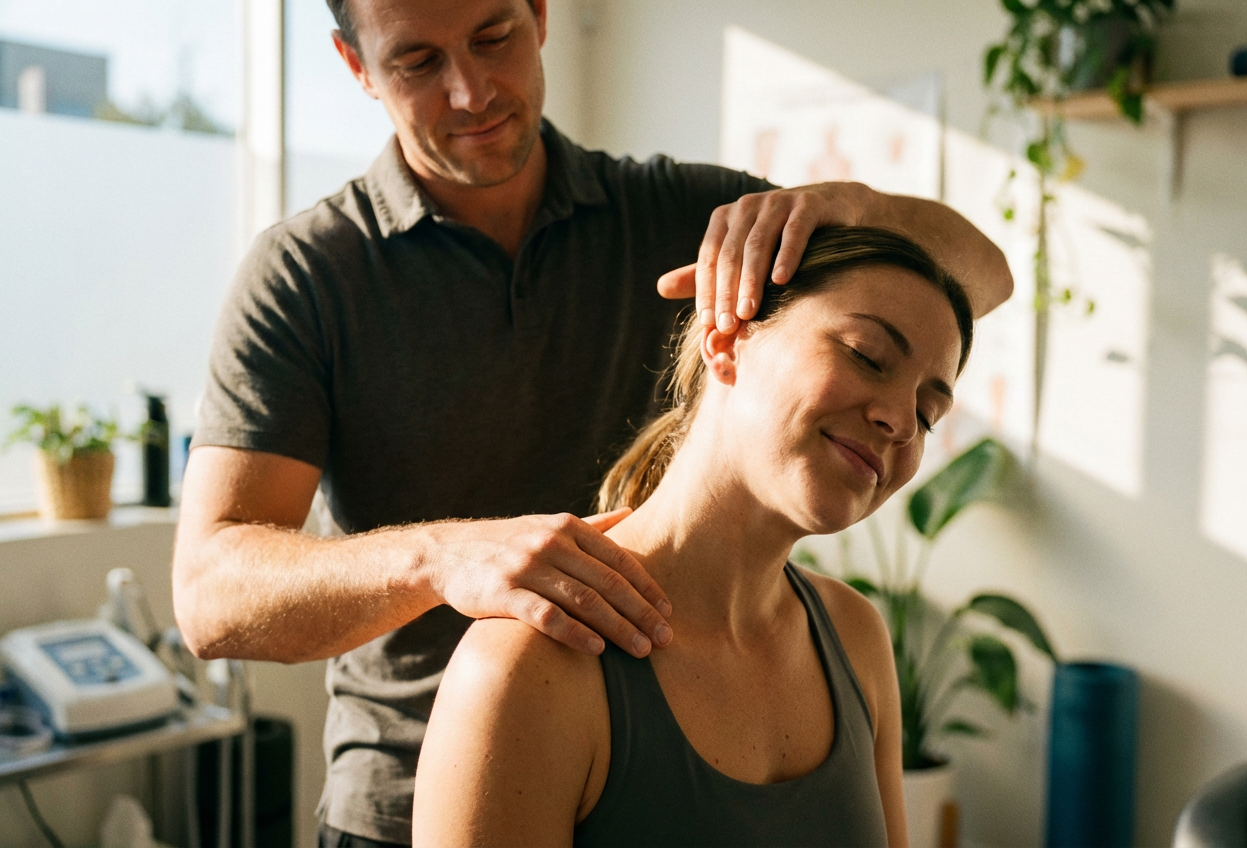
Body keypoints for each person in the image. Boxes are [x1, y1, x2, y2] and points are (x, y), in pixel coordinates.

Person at [171, 0, 1013, 844]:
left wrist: (849, 205)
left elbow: (976, 277)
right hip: (402, 802)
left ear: (540, 15)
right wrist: (445, 557)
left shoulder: (685, 220)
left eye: (493, 38)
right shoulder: (307, 275)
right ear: (357, 67)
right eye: (417, 63)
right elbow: (211, 596)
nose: (469, 92)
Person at [412, 226, 973, 847]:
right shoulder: (528, 665)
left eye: (927, 412)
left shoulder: (855, 637)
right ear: (728, 339)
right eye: (865, 354)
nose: (898, 420)